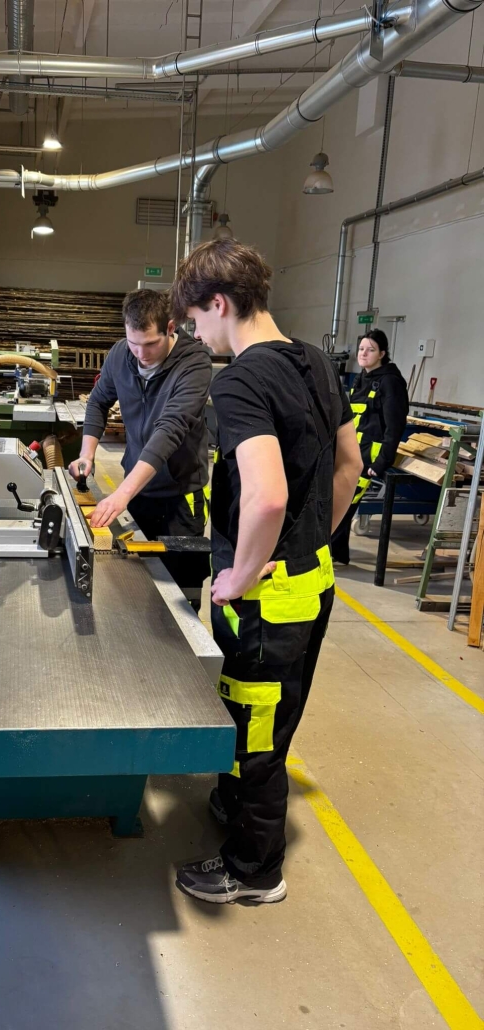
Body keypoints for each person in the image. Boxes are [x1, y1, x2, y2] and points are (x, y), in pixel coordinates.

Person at [169, 238, 362, 904]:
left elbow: (268, 496)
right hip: (312, 581)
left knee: (255, 730)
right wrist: (311, 541)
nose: (197, 336)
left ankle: (255, 870)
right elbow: (349, 465)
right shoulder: (315, 361)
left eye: (195, 320)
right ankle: (235, 802)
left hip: (267, 600)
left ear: (219, 303)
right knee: (273, 717)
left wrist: (241, 575)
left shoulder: (242, 380)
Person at [70, 289, 212, 609]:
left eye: (150, 344)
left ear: (170, 328)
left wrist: (121, 494)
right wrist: (86, 454)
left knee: (181, 591)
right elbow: (98, 402)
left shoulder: (194, 363)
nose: (140, 353)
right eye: (133, 343)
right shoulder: (121, 354)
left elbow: (170, 429)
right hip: (139, 492)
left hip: (181, 496)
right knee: (135, 577)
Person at [331, 329, 409, 564]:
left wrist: (382, 461)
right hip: (351, 452)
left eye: (371, 350)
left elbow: (394, 426)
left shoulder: (390, 382)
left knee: (345, 504)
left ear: (382, 354)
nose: (363, 354)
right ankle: (337, 554)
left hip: (369, 457)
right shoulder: (361, 378)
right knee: (339, 501)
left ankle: (331, 554)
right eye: (361, 349)